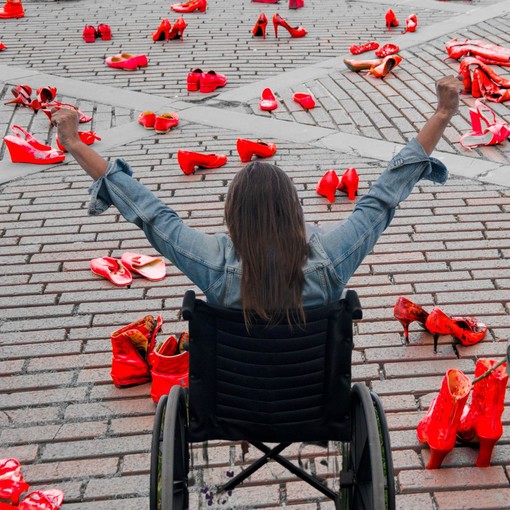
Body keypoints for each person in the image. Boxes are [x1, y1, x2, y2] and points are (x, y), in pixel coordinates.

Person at [52, 75, 463, 324]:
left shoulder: (213, 263)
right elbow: (383, 197)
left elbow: (149, 213)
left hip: (233, 400)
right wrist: (442, 115)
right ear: (295, 209)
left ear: (233, 216)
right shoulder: (333, 257)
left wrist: (72, 142)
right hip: (313, 398)